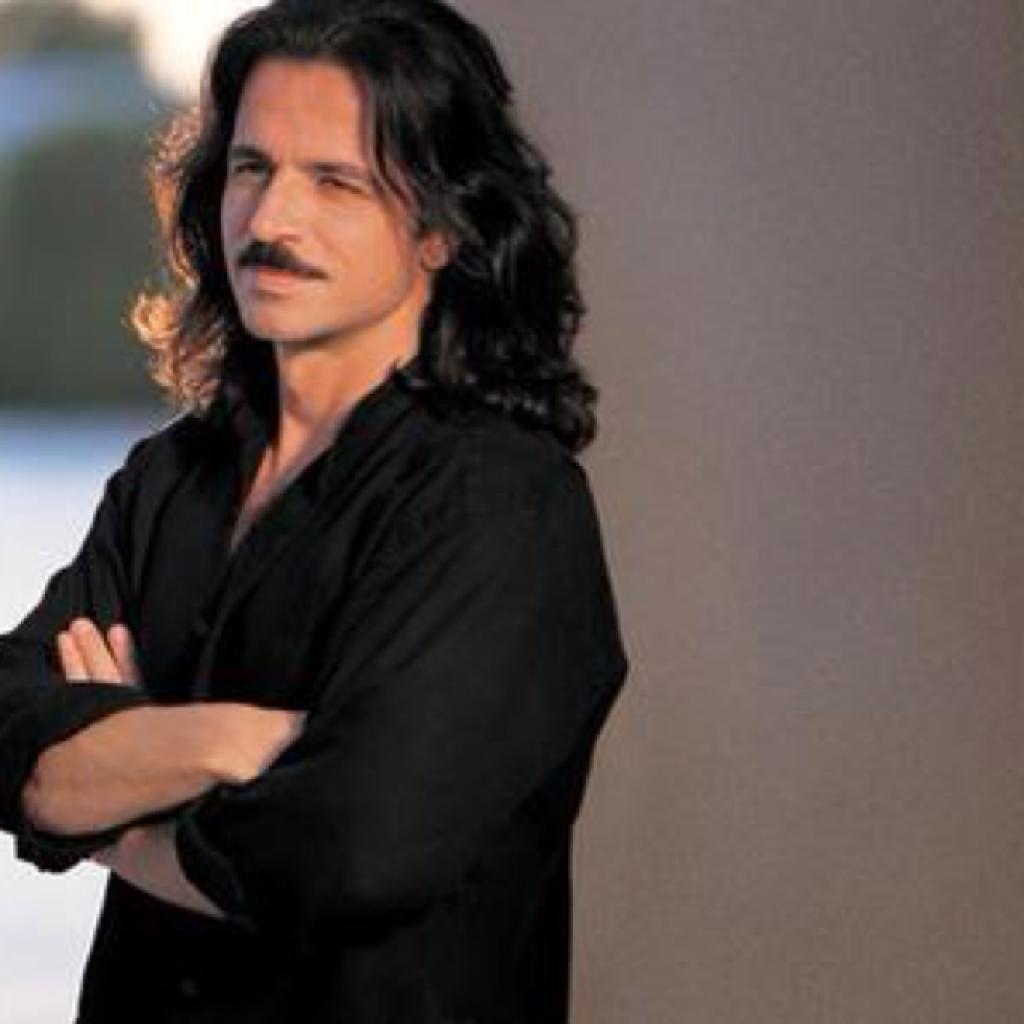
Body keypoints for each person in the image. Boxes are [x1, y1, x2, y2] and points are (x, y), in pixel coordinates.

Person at [0, 0, 629, 1020]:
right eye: (252, 168)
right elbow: (7, 734)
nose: (270, 222)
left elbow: (350, 848)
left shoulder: (504, 505)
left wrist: (112, 802)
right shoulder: (169, 477)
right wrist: (234, 739)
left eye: (336, 182)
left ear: (440, 228)